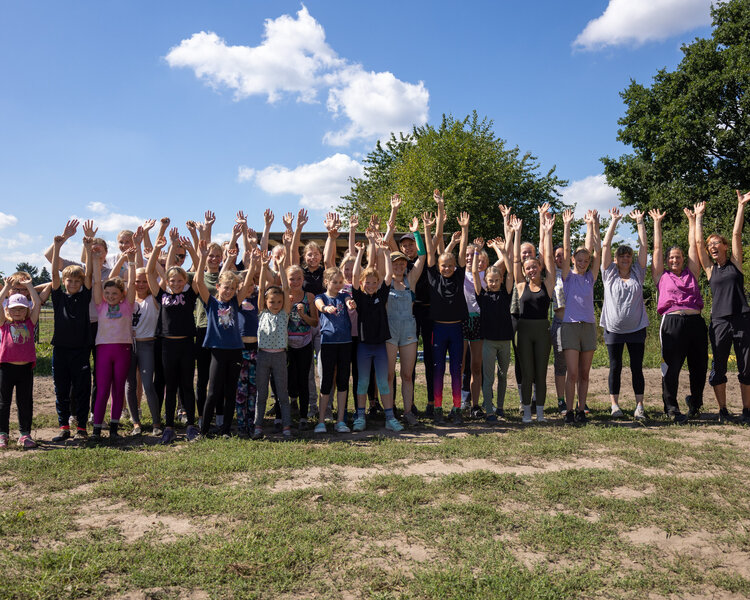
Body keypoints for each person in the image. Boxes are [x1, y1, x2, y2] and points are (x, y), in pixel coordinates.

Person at [695, 192, 750, 423]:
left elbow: (737, 233)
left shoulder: (735, 264)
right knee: (718, 368)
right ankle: (723, 410)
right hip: (718, 322)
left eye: (716, 243)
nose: (712, 246)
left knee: (747, 368)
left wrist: (741, 205)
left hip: (742, 319)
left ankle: (747, 410)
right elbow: (698, 242)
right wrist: (698, 217)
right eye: (710, 245)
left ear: (725, 246)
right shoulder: (710, 269)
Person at [194, 241, 256, 438]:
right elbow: (198, 282)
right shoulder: (211, 302)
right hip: (217, 351)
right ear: (218, 287)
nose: (228, 291)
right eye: (225, 288)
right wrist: (203, 258)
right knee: (213, 392)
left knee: (231, 392)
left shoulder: (236, 303)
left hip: (235, 350)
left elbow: (246, 285)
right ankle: (203, 431)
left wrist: (253, 264)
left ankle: (226, 430)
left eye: (232, 288)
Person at [651, 208, 706, 423]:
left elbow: (695, 246)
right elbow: (656, 248)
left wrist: (693, 221)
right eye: (671, 257)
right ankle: (671, 407)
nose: (675, 260)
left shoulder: (691, 272)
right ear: (666, 261)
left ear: (683, 259)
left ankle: (696, 403)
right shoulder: (661, 276)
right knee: (671, 367)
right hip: (672, 322)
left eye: (678, 257)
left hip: (695, 322)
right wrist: (657, 222)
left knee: (699, 366)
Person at [146, 235, 201, 444]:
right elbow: (151, 272)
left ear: (185, 282)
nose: (176, 283)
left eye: (180, 280)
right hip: (167, 345)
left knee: (187, 385)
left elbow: (199, 270)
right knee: (170, 386)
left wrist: (193, 250)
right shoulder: (161, 295)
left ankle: (190, 426)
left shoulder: (190, 295)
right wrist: (156, 251)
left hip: (187, 344)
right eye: (172, 281)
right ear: (167, 282)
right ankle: (168, 426)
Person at [600, 208, 650, 420]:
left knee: (637, 368)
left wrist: (640, 222)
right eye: (622, 256)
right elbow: (605, 245)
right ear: (615, 258)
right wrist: (614, 221)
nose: (625, 258)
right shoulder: (608, 273)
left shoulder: (639, 272)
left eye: (628, 256)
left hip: (637, 328)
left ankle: (639, 406)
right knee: (615, 367)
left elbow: (644, 247)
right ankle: (615, 405)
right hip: (613, 330)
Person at [424, 211, 470, 426]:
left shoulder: (459, 274)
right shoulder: (433, 276)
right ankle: (438, 408)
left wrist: (464, 229)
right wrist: (432, 227)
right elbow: (432, 252)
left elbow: (461, 255)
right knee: (438, 369)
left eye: (450, 265)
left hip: (457, 329)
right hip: (438, 330)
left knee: (455, 370)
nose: (447, 268)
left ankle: (457, 409)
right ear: (439, 266)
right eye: (444, 265)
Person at [351, 239, 402, 432]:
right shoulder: (360, 297)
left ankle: (390, 417)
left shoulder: (382, 295)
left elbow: (389, 275)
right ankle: (360, 416)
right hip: (364, 346)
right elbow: (355, 275)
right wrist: (358, 254)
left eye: (374, 282)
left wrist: (387, 255)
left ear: (378, 283)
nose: (371, 285)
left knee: (383, 381)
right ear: (362, 284)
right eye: (368, 283)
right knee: (363, 382)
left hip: (380, 346)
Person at [512, 212, 556, 423]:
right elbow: (514, 259)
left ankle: (540, 412)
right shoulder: (520, 286)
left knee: (541, 373)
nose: (531, 270)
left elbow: (548, 258)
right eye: (527, 268)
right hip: (524, 331)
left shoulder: (548, 285)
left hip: (542, 331)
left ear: (540, 267)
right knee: (527, 373)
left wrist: (547, 232)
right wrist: (516, 233)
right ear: (524, 270)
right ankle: (527, 411)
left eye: (534, 267)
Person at [90, 245, 136, 441]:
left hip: (123, 349)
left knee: (118, 388)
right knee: (102, 389)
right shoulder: (100, 305)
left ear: (122, 294)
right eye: (107, 294)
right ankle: (97, 429)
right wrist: (94, 259)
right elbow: (97, 283)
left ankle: (115, 427)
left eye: (114, 294)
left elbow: (132, 283)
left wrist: (132, 261)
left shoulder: (127, 305)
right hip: (103, 350)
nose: (110, 297)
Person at [49, 233, 93, 442]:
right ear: (64, 281)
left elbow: (90, 275)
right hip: (61, 350)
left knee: (83, 390)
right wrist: (58, 247)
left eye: (77, 280)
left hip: (81, 350)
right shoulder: (58, 297)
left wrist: (89, 250)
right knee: (62, 390)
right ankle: (64, 427)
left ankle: (82, 428)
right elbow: (54, 277)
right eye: (70, 280)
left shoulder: (85, 297)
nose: (73, 283)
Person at [560, 209, 601, 424]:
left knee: (585, 374)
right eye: (579, 259)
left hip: (589, 327)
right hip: (570, 327)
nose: (583, 262)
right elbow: (566, 250)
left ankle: (581, 410)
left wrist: (592, 226)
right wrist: (567, 225)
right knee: (573, 373)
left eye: (586, 260)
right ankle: (568, 411)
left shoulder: (591, 278)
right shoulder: (568, 276)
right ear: (574, 260)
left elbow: (596, 251)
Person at [386, 216, 426, 428]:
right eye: (395, 263)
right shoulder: (385, 282)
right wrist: (388, 231)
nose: (399, 266)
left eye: (402, 263)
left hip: (409, 329)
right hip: (390, 330)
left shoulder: (411, 280)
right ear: (390, 265)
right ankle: (390, 412)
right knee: (390, 374)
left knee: (407, 374)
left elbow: (422, 255)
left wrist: (417, 233)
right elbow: (381, 255)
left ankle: (408, 411)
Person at [473, 233, 514, 423]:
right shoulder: (482, 295)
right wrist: (476, 252)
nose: (494, 282)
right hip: (489, 341)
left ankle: (500, 407)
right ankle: (489, 410)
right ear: (486, 281)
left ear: (500, 279)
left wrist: (504, 252)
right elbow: (474, 273)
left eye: (497, 280)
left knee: (503, 375)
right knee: (488, 377)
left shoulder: (506, 293)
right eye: (490, 280)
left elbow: (511, 272)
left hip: (505, 341)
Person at [253, 249, 293, 439]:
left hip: (279, 356)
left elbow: (286, 289)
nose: (275, 304)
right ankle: (258, 426)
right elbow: (261, 290)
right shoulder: (262, 312)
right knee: (261, 394)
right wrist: (262, 267)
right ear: (266, 302)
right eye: (272, 302)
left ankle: (286, 426)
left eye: (278, 301)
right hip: (263, 356)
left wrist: (282, 267)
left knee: (282, 394)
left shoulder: (284, 313)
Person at [0, 277, 42, 449]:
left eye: (21, 309)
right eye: (14, 308)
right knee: (3, 402)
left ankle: (25, 434)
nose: (17, 312)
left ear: (27, 311)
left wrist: (29, 286)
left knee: (25, 402)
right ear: (7, 309)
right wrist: (8, 287)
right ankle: (3, 434)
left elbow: (37, 303)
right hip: (5, 368)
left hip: (25, 369)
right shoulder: (4, 323)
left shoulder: (30, 323)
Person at [314, 267, 357, 434]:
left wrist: (350, 304)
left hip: (345, 343)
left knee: (343, 381)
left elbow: (348, 301)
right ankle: (321, 421)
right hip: (328, 344)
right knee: (326, 382)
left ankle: (340, 421)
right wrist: (326, 309)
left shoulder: (344, 295)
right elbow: (319, 305)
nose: (338, 285)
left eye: (340, 282)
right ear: (326, 282)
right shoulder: (321, 297)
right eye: (335, 282)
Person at [286, 263, 318, 431]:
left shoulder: (309, 297)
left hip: (305, 343)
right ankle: (288, 411)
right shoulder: (283, 296)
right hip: (287, 345)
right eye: (292, 279)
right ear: (287, 280)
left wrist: (303, 314)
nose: (295, 282)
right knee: (289, 380)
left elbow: (315, 322)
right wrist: (286, 306)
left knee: (304, 379)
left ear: (303, 279)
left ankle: (304, 416)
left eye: (299, 278)